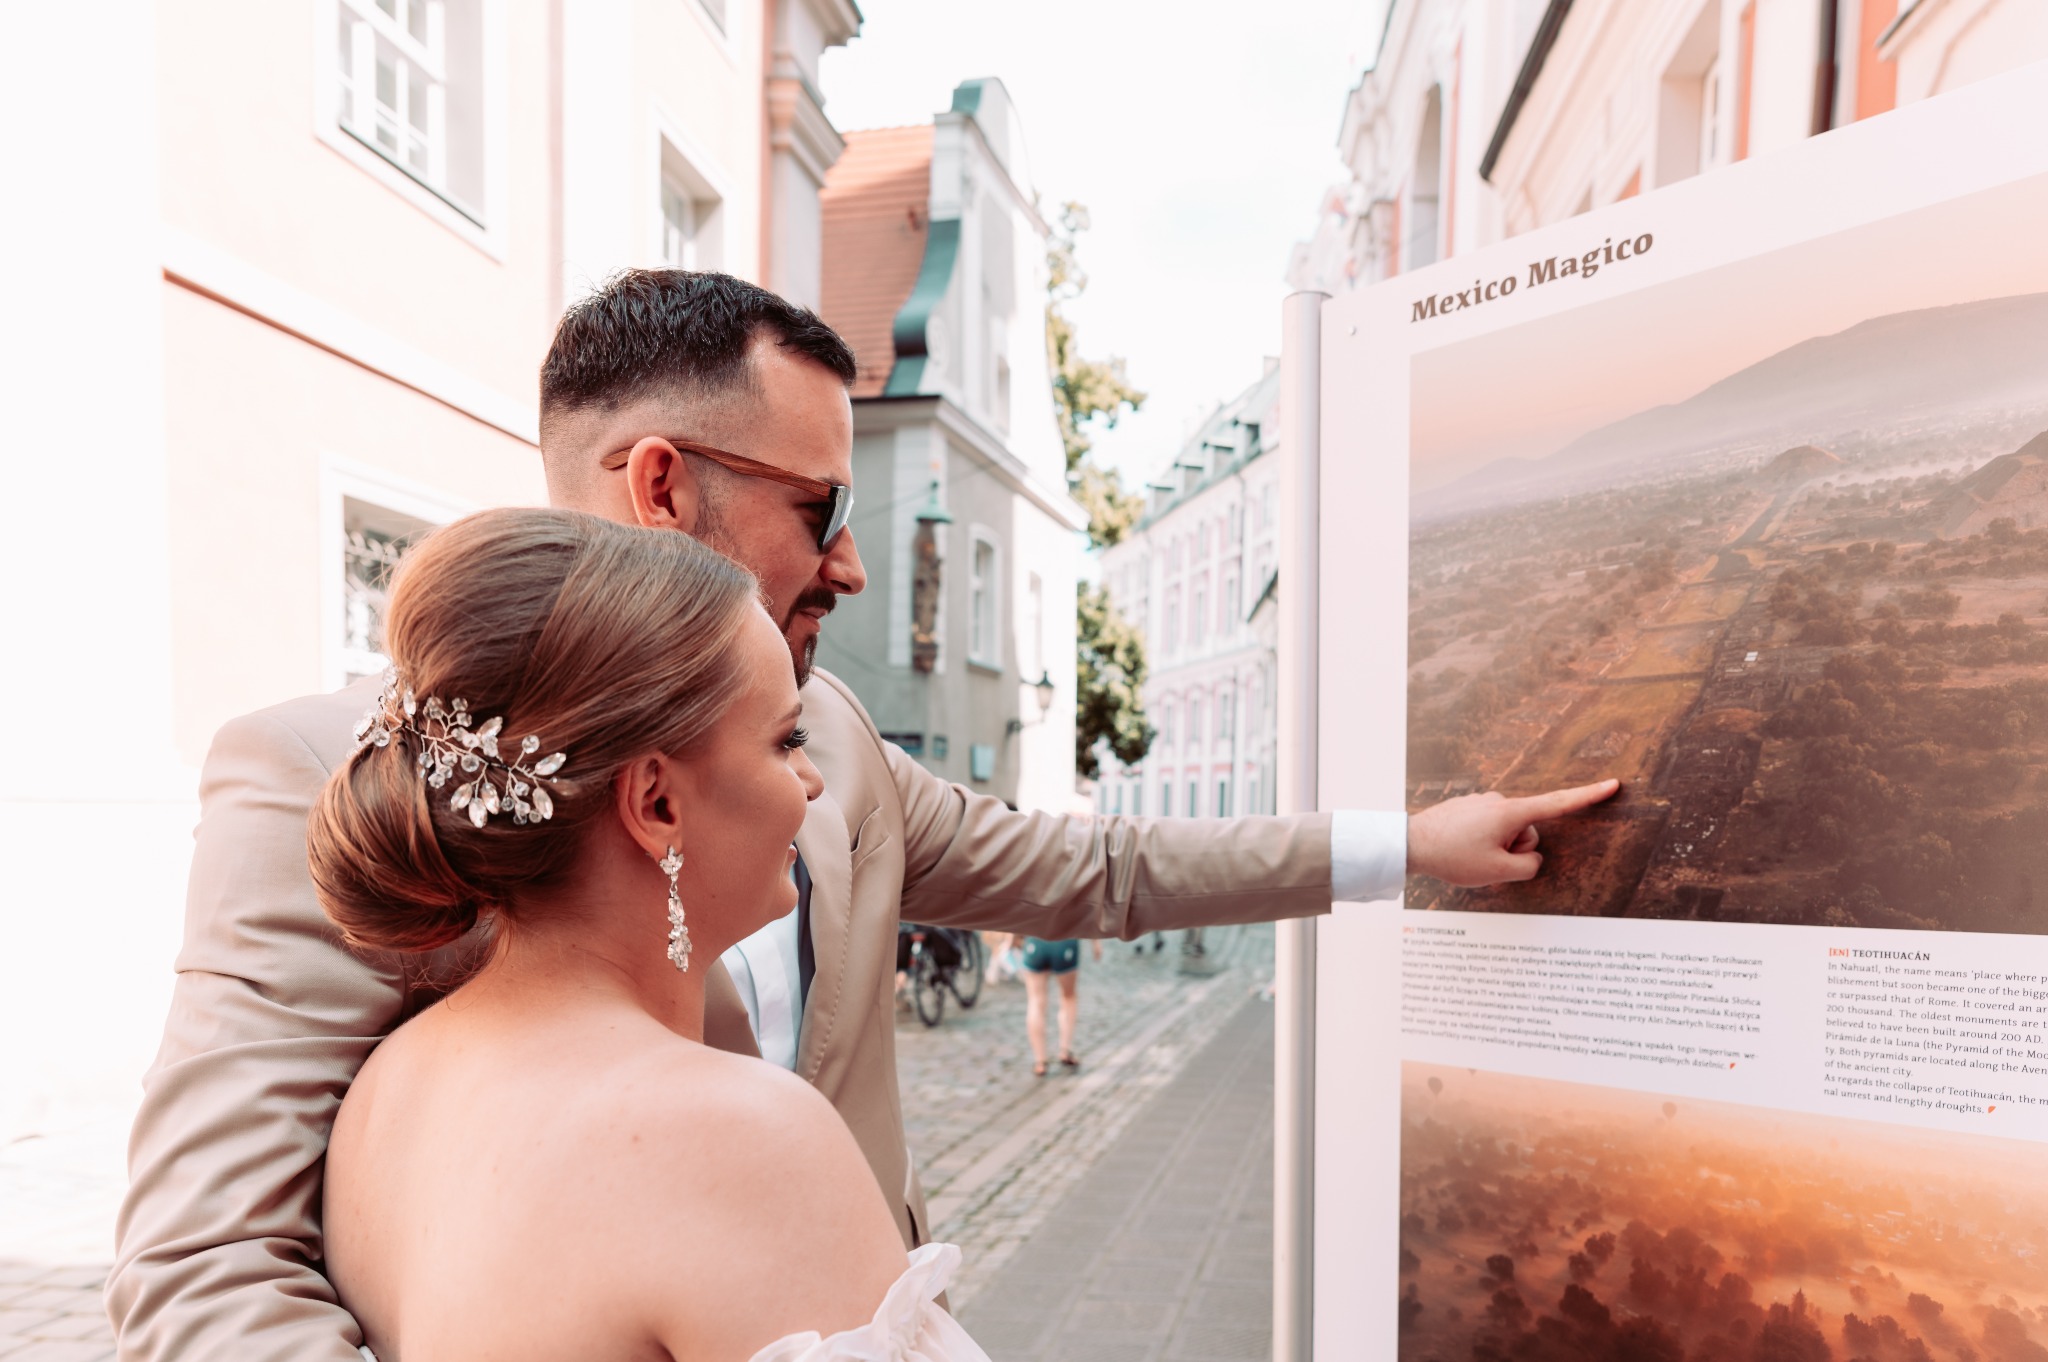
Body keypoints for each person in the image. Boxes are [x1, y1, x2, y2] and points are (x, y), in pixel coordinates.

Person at [110, 269, 1619, 1360]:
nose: (846, 564)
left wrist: (1405, 843)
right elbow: (203, 1270)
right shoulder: (316, 771)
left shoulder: (825, 729)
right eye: (823, 508)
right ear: (659, 484)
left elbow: (1099, 863)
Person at [306, 506, 986, 1360]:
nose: (811, 785)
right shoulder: (742, 1139)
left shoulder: (385, 1087)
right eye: (786, 740)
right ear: (657, 803)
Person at [1019, 936, 1101, 1076]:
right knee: (1068, 997)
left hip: (1035, 942)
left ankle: (1040, 1060)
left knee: (1035, 1001)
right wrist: (1096, 942)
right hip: (1064, 941)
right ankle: (1065, 1050)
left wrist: (1011, 940)